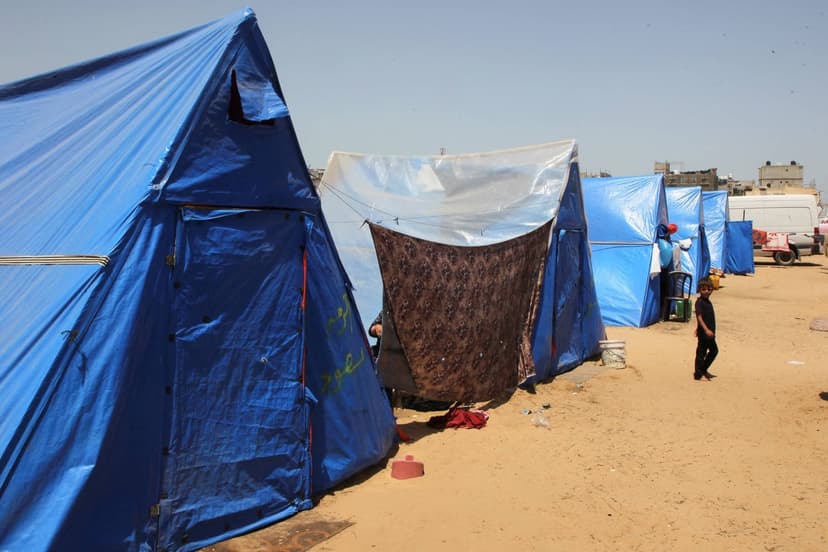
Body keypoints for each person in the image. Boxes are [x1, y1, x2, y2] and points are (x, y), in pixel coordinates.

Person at [694, 277, 718, 381]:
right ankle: (698, 374)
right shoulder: (699, 302)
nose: (706, 292)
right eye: (704, 289)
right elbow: (699, 317)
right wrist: (705, 330)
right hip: (705, 333)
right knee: (701, 353)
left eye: (709, 289)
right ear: (699, 290)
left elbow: (704, 317)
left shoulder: (708, 302)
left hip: (710, 333)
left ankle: (703, 369)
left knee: (714, 351)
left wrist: (697, 328)